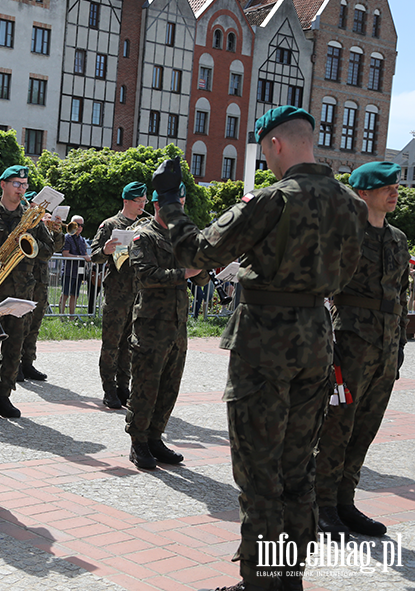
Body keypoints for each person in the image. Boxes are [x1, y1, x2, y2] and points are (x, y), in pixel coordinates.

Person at [153, 106, 368, 591]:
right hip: (316, 340)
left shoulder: (275, 200)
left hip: (264, 346)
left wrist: (170, 200)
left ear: (274, 144)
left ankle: (259, 584)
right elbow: (348, 273)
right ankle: (287, 579)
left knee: (259, 472)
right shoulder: (352, 205)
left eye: (263, 152)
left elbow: (197, 252)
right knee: (297, 469)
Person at [315, 162, 409, 538]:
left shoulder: (398, 239)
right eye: (385, 186)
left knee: (365, 428)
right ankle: (321, 505)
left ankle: (344, 501)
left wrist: (399, 344)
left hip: (385, 349)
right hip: (349, 344)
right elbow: (319, 292)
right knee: (336, 426)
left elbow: (401, 296)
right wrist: (326, 346)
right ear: (362, 193)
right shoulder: (343, 235)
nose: (393, 191)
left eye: (395, 185)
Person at [125, 184, 208, 470]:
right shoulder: (143, 236)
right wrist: (184, 272)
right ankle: (138, 442)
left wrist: (203, 263)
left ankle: (156, 437)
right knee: (146, 386)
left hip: (177, 325)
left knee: (169, 386)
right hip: (150, 325)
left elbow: (200, 280)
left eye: (182, 204)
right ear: (158, 205)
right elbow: (145, 275)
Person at [0, 165, 57, 419]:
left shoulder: (31, 215)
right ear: (3, 185)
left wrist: (30, 241)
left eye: (24, 185)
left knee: (14, 347)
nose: (21, 189)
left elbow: (48, 248)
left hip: (22, 291)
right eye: (16, 184)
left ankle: (4, 396)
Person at [91, 181, 149, 410]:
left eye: (144, 202)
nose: (142, 206)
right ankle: (109, 388)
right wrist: (105, 250)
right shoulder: (110, 225)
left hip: (138, 294)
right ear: (127, 201)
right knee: (112, 344)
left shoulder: (146, 226)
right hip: (117, 294)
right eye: (139, 201)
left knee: (130, 345)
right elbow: (94, 254)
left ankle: (124, 386)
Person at [20, 190, 64, 381]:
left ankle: (28, 362)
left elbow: (54, 248)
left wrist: (57, 229)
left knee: (35, 324)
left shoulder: (43, 226)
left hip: (41, 281)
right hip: (24, 279)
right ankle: (14, 364)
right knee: (20, 324)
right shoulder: (24, 222)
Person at [60, 215, 89, 316]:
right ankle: (61, 316)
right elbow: (65, 254)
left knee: (75, 295)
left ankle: (71, 317)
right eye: (77, 224)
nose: (80, 227)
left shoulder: (81, 240)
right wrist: (82, 257)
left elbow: (84, 254)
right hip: (68, 271)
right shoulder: (67, 238)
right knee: (65, 295)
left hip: (78, 272)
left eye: (82, 225)